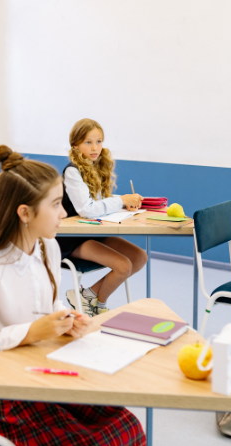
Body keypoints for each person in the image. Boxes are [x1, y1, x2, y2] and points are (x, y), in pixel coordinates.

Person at [0, 145, 146, 446]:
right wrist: (30, 333)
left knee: (129, 427)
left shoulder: (48, 248)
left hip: (42, 369)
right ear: (25, 213)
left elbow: (52, 303)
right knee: (90, 444)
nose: (63, 213)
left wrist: (68, 318)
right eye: (56, 204)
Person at [57, 119, 147, 316]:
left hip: (92, 230)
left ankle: (88, 295)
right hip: (71, 237)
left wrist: (123, 200)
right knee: (123, 266)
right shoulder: (73, 171)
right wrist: (121, 200)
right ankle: (99, 305)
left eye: (98, 141)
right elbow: (87, 209)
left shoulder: (95, 166)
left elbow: (98, 200)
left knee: (140, 257)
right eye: (88, 142)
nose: (94, 148)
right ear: (76, 145)